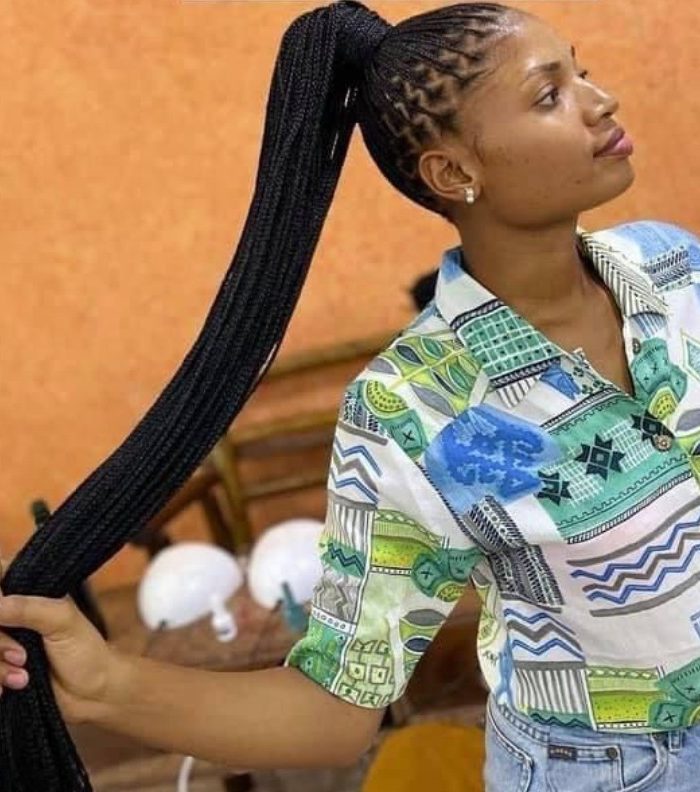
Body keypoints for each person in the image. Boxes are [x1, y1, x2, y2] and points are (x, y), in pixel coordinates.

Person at [2, 1, 700, 789]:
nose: (601, 99)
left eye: (582, 70)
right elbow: (336, 711)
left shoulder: (672, 265)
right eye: (550, 94)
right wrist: (105, 684)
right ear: (453, 173)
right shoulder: (414, 408)